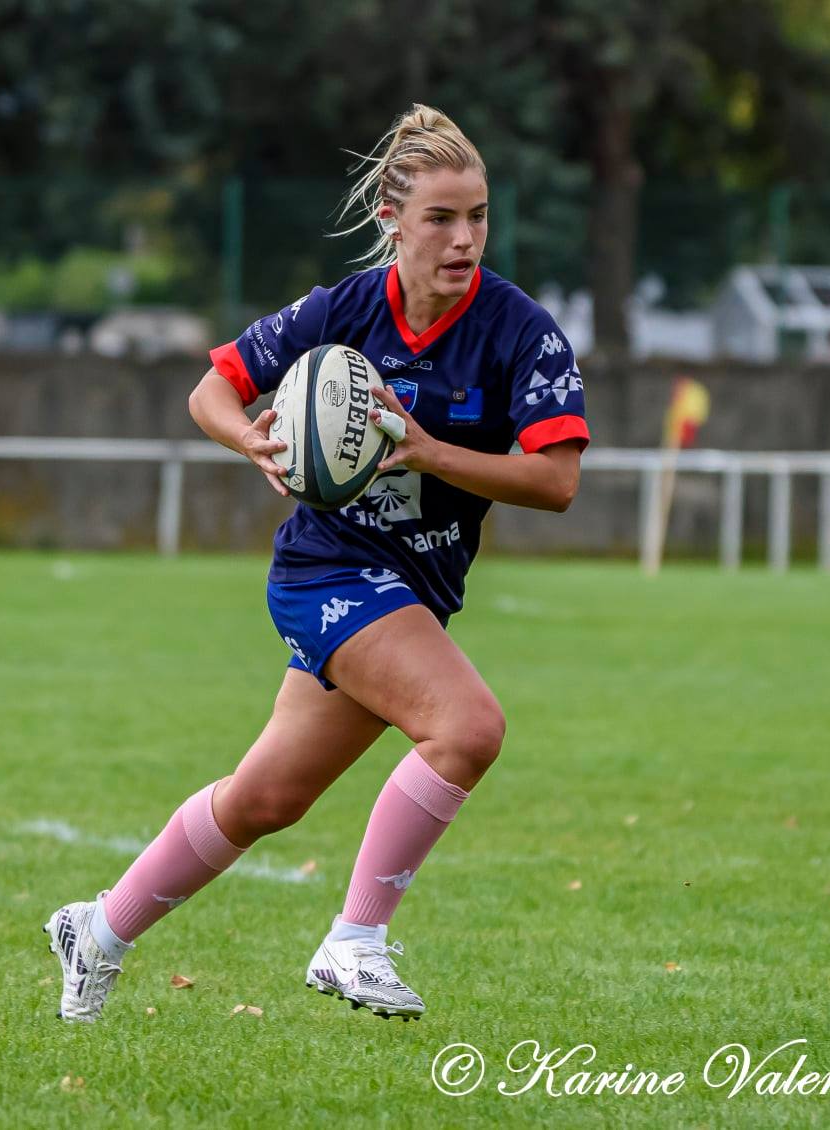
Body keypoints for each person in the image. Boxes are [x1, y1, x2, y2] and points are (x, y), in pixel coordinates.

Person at [43, 105, 588, 1023]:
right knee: (468, 729)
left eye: (479, 217)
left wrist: (425, 450)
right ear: (391, 219)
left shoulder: (518, 332)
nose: (464, 240)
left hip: (414, 590)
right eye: (440, 219)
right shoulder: (340, 312)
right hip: (324, 575)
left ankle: (96, 930)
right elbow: (212, 389)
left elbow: (556, 480)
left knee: (265, 799)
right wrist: (252, 444)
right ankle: (356, 941)